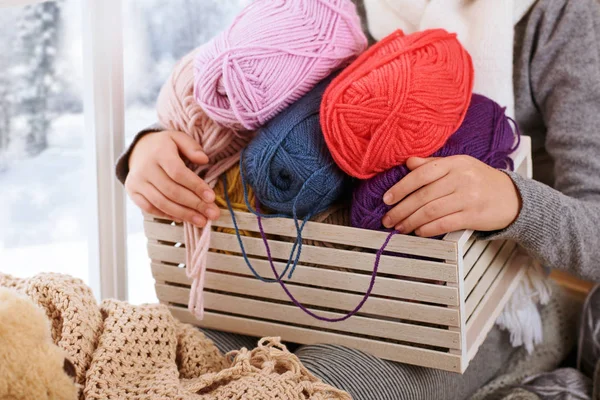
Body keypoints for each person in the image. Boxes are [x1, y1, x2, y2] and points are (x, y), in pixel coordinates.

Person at [116, 0, 600, 398]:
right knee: (158, 357)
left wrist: (513, 201)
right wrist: (154, 147)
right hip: (299, 283)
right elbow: (238, 98)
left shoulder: (561, 15)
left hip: (487, 308)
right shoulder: (334, 10)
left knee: (323, 382)